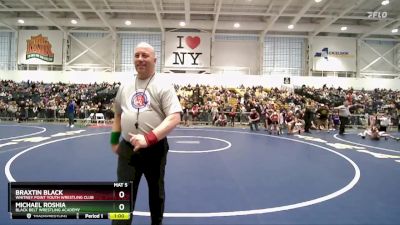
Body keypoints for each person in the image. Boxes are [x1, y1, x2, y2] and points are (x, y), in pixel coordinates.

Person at [110, 42, 182, 225]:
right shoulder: (125, 85)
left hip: (154, 149)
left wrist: (148, 138)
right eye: (137, 55)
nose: (140, 59)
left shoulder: (163, 85)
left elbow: (174, 117)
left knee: (156, 194)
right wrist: (113, 141)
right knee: (123, 194)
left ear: (154, 60)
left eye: (145, 55)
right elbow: (118, 114)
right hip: (127, 149)